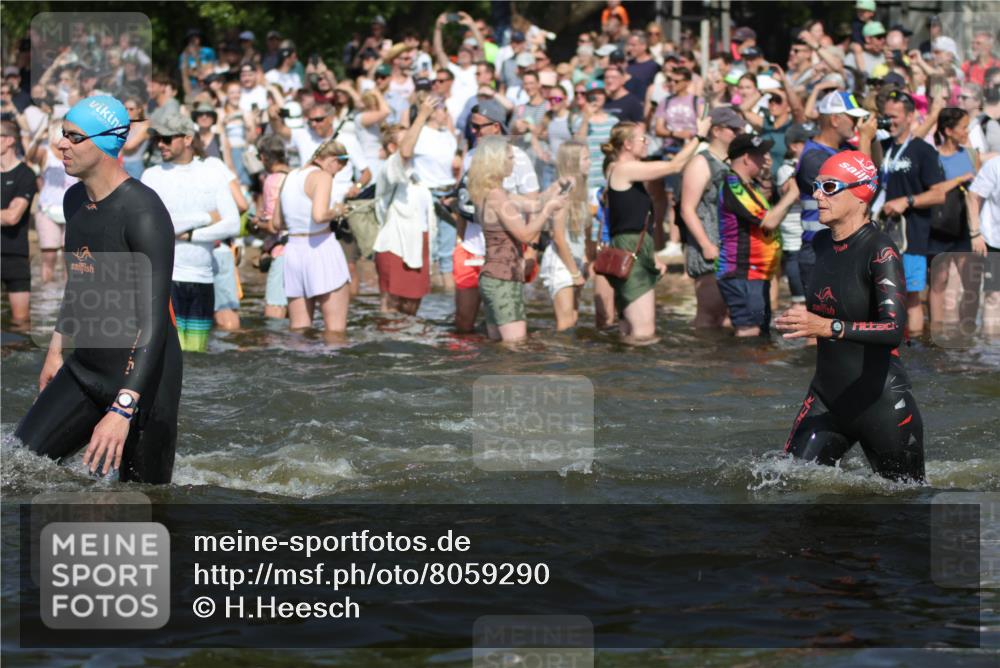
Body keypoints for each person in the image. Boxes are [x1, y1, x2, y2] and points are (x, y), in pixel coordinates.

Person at [15, 95, 182, 483]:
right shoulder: (75, 199)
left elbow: (153, 321)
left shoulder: (143, 212)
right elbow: (78, 283)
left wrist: (124, 409)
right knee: (16, 469)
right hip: (84, 368)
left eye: (74, 137)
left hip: (144, 382)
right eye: (62, 134)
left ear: (106, 144)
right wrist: (56, 351)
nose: (61, 144)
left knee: (145, 504)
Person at [776, 150, 925, 482]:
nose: (816, 194)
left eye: (829, 187)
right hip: (826, 399)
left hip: (883, 405)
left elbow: (894, 329)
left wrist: (827, 326)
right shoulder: (819, 244)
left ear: (861, 194)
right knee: (782, 484)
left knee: (904, 508)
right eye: (816, 186)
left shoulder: (880, 250)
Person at [141, 113, 241, 353]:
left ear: (187, 138)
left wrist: (191, 236)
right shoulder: (151, 175)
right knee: (169, 354)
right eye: (157, 140)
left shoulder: (212, 172)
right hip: (166, 278)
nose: (160, 144)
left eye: (166, 138)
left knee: (197, 355)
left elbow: (232, 224)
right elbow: (156, 227)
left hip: (202, 278)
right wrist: (205, 217)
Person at [603, 120, 706, 343]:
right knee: (644, 333)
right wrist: (699, 137)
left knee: (628, 328)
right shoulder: (623, 169)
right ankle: (639, 377)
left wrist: (652, 255)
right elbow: (674, 166)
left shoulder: (621, 169)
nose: (647, 142)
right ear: (627, 145)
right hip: (631, 249)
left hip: (634, 247)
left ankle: (623, 373)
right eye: (642, 138)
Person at [468, 135, 568, 343]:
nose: (514, 162)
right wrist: (549, 209)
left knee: (498, 345)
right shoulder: (496, 195)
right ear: (497, 161)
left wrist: (556, 186)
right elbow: (525, 234)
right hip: (502, 279)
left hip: (495, 278)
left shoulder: (493, 193)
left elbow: (534, 204)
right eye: (511, 157)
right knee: (515, 347)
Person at [453, 100, 540, 333]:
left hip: (504, 253)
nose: (474, 131)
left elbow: (533, 204)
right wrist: (458, 242)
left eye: (479, 127)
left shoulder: (518, 157)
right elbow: (462, 203)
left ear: (496, 127)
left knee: (505, 319)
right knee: (464, 319)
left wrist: (531, 251)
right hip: (471, 246)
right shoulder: (471, 156)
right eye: (473, 126)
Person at [873, 90, 947, 336]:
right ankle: (888, 343)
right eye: (886, 116)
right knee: (880, 294)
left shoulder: (922, 151)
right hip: (881, 233)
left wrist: (908, 200)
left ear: (910, 116)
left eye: (894, 116)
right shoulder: (881, 146)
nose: (889, 121)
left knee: (911, 296)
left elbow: (939, 194)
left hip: (911, 236)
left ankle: (914, 347)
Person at [717, 133, 799, 337]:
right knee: (749, 335)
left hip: (755, 275)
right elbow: (769, 221)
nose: (766, 160)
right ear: (746, 158)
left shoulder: (748, 185)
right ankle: (738, 368)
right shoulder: (733, 184)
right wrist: (793, 194)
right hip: (742, 273)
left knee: (760, 333)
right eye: (761, 155)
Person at [796, 91, 876, 293]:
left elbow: (874, 173)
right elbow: (863, 187)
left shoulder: (845, 149)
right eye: (853, 118)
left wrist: (873, 140)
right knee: (822, 321)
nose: (857, 124)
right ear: (834, 119)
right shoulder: (813, 157)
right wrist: (865, 139)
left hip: (843, 244)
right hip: (819, 248)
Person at [273, 139, 352, 336]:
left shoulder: (289, 177)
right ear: (332, 160)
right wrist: (338, 210)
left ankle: (301, 367)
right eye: (337, 169)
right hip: (321, 248)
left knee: (299, 330)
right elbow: (319, 215)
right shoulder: (323, 176)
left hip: (294, 252)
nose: (335, 174)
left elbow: (276, 223)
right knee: (335, 332)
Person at [679, 107, 743, 328]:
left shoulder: (730, 161)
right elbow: (687, 208)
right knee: (709, 313)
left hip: (728, 245)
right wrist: (706, 244)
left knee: (727, 316)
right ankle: (702, 358)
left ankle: (722, 360)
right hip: (708, 245)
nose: (739, 132)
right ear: (716, 131)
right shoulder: (701, 162)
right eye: (734, 129)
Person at [373, 110, 433, 316]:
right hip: (394, 245)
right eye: (407, 139)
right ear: (392, 147)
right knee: (391, 305)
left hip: (419, 244)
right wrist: (422, 116)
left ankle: (409, 346)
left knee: (411, 307)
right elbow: (405, 152)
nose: (412, 142)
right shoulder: (389, 167)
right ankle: (387, 346)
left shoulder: (416, 174)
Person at [928, 108, 979, 330]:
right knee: (939, 280)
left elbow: (978, 191)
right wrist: (960, 179)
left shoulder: (970, 154)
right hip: (940, 225)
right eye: (963, 127)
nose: (967, 132)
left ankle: (966, 332)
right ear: (948, 130)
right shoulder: (933, 157)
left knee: (971, 283)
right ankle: (936, 333)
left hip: (964, 226)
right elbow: (933, 189)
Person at [539, 141, 590, 330]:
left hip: (573, 259)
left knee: (573, 320)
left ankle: (569, 358)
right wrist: (574, 272)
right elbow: (558, 236)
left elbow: (577, 233)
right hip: (560, 262)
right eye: (585, 158)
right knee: (565, 322)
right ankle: (557, 358)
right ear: (572, 162)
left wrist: (584, 260)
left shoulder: (580, 188)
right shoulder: (564, 191)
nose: (590, 163)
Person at [25, 117, 79, 284]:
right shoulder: (45, 151)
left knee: (69, 257)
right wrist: (38, 137)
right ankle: (47, 293)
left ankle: (67, 296)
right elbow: (30, 156)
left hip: (72, 209)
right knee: (48, 256)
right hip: (48, 208)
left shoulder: (76, 151)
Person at [0, 118, 37, 326]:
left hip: (15, 256)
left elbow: (13, 217)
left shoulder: (26, 175)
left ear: (9, 141)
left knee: (21, 322)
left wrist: (5, 215)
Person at [254, 135, 290, 320]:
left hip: (281, 250)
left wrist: (256, 223)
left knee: (274, 309)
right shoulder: (295, 176)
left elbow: (272, 225)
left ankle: (276, 347)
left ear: (263, 157)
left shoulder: (272, 180)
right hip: (300, 250)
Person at [967, 155, 1000, 336]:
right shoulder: (995, 165)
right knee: (994, 296)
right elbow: (973, 196)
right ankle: (992, 352)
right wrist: (975, 233)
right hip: (994, 241)